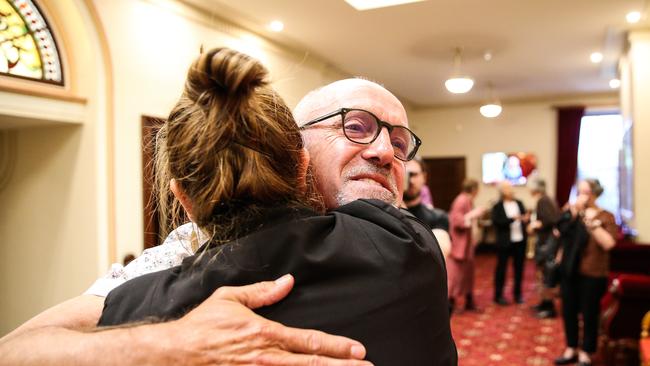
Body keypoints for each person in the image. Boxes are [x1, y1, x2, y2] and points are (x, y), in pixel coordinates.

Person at [0, 65, 456, 365]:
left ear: (183, 194)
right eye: (355, 127)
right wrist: (171, 344)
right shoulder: (179, 255)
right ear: (298, 153)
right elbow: (17, 349)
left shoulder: (406, 241)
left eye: (400, 145)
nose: (384, 153)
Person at [554, 179, 617, 366]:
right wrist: (572, 215)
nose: (581, 196)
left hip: (593, 273)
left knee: (590, 313)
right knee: (569, 311)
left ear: (595, 194)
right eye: (579, 192)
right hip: (570, 271)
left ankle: (587, 352)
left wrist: (591, 223)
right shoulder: (572, 213)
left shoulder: (606, 216)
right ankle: (571, 347)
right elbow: (558, 233)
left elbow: (609, 244)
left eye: (586, 192)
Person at [447, 178, 485, 312]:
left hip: (467, 244)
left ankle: (469, 301)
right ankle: (450, 303)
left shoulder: (467, 200)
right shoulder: (461, 200)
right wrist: (473, 215)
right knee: (456, 275)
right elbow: (456, 221)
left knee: (468, 274)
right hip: (459, 245)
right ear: (474, 189)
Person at [491, 180, 529, 305]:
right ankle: (498, 295)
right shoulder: (497, 206)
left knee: (519, 269)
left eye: (511, 188)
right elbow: (497, 223)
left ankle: (518, 294)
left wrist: (525, 219)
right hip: (505, 242)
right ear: (502, 191)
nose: (511, 190)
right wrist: (512, 219)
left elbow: (524, 218)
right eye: (507, 188)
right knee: (501, 269)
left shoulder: (519, 203)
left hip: (520, 240)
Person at [527, 177, 560, 318]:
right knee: (543, 275)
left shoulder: (543, 200)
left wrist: (535, 225)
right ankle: (544, 303)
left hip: (547, 244)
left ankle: (549, 307)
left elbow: (551, 220)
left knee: (546, 276)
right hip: (546, 243)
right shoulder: (546, 199)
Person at [403, 157, 449, 231]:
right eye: (405, 175)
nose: (410, 181)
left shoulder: (438, 218)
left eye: (414, 175)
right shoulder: (387, 216)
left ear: (424, 177)